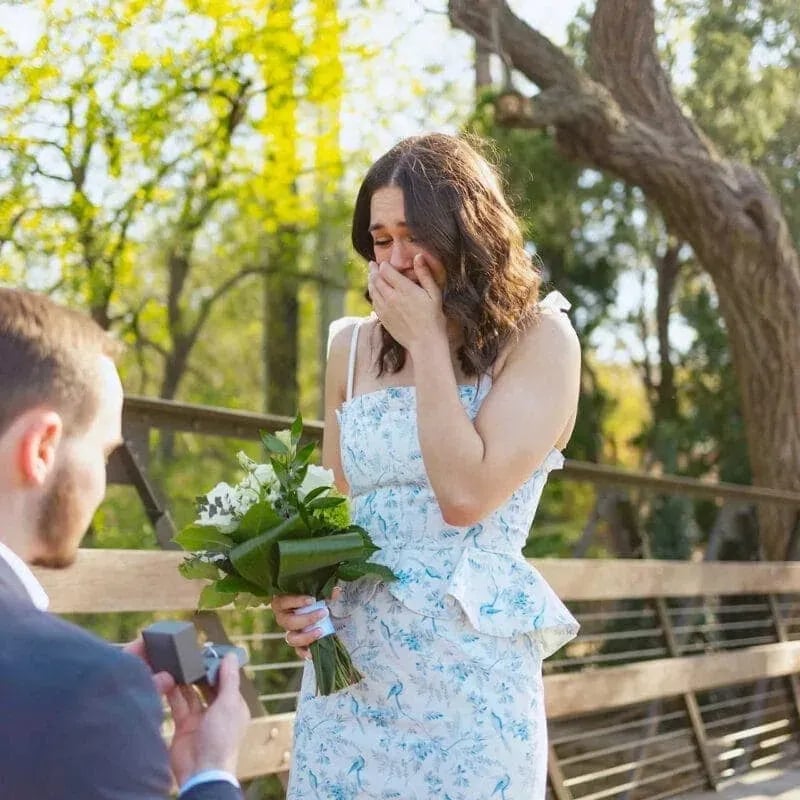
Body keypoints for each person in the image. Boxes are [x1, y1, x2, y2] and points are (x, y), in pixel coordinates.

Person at [272, 132, 581, 799]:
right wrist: (297, 594)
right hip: (349, 677)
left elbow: (465, 495)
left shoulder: (540, 340)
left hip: (469, 681)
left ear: (467, 232)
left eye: (414, 235)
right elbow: (333, 512)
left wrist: (429, 344)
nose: (398, 259)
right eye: (381, 240)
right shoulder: (349, 348)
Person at [0, 288, 250, 799]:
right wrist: (210, 774)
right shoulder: (88, 694)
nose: (102, 480)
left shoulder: (81, 685)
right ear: (43, 447)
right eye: (103, 451)